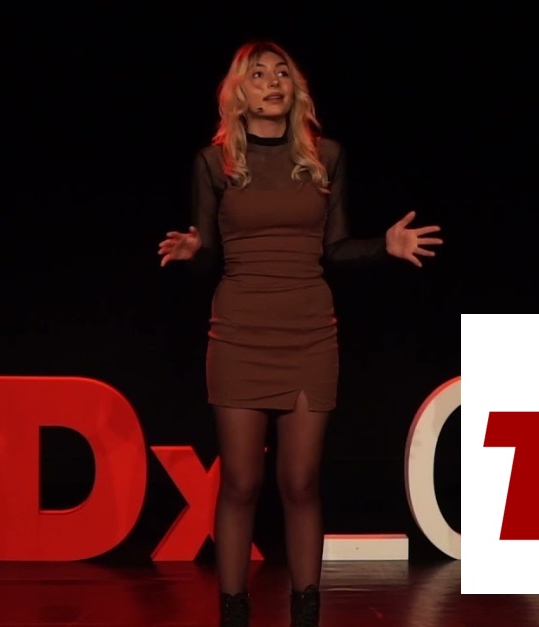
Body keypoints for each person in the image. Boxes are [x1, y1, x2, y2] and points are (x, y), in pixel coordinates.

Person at [158, 40, 443, 627]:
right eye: (258, 74)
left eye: (282, 73)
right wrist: (191, 253)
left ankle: (305, 616)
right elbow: (209, 256)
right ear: (239, 92)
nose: (272, 82)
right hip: (239, 334)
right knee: (241, 483)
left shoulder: (324, 157)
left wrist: (384, 248)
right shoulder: (214, 164)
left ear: (296, 88)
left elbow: (335, 250)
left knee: (300, 481)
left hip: (309, 333)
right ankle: (233, 615)